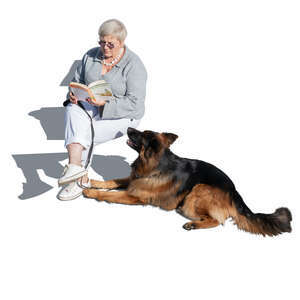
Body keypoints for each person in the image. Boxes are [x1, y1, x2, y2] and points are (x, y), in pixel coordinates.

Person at [57, 19, 147, 200]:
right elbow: (77, 81)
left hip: (124, 115)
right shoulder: (90, 55)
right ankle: (75, 167)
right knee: (72, 110)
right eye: (101, 42)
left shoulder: (134, 65)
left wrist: (105, 105)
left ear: (121, 43)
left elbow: (135, 103)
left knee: (85, 135)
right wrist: (73, 94)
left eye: (110, 44)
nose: (104, 47)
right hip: (90, 105)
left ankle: (79, 181)